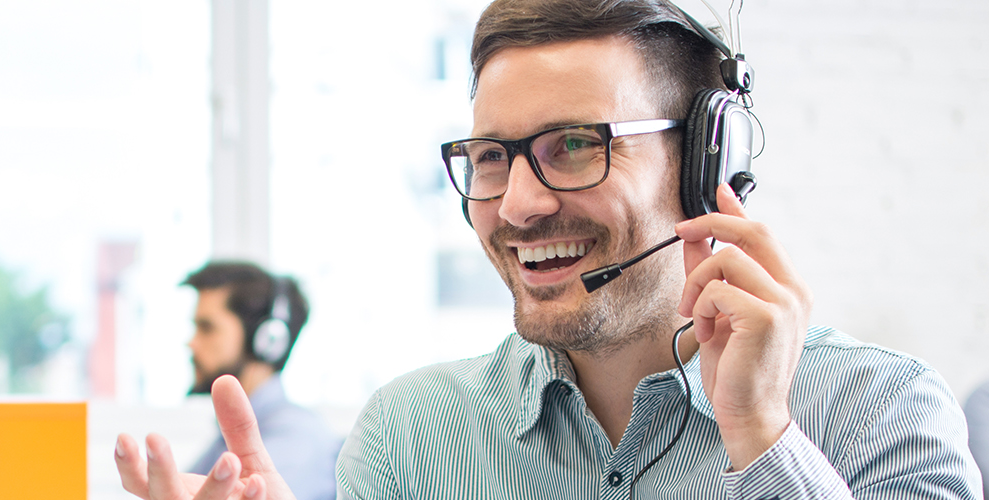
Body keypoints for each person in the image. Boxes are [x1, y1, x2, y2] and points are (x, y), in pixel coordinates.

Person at [112, 0, 982, 498]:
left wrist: (761, 436)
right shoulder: (410, 438)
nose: (518, 206)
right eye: (491, 157)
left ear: (705, 161)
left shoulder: (884, 415)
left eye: (574, 145)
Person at [180, 262, 342, 500]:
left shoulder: (297, 440)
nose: (191, 343)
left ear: (265, 341)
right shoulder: (222, 444)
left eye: (207, 328)